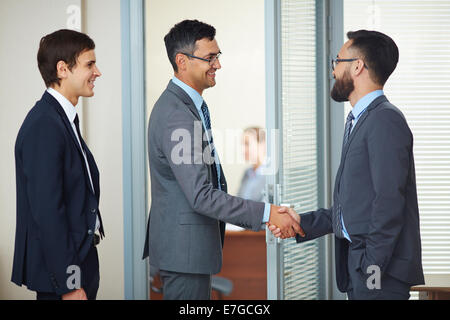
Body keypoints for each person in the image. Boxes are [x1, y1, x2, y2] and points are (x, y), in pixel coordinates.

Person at [142, 19, 304, 300]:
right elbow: (201, 195)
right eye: (210, 57)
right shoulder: (177, 114)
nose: (218, 65)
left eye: (218, 56)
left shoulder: (187, 107)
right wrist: (268, 213)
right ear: (182, 61)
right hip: (184, 256)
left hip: (187, 254)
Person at [269, 30, 424, 300]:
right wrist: (301, 222)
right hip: (360, 266)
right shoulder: (359, 121)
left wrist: (371, 270)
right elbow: (355, 207)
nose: (333, 71)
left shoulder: (384, 120)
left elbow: (389, 203)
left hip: (378, 273)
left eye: (337, 62)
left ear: (357, 66)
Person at [11, 29, 104, 300]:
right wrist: (70, 284)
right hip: (63, 275)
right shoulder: (45, 124)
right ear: (63, 69)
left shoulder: (61, 119)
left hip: (80, 259)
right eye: (89, 64)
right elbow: (48, 213)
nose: (97, 72)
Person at [237, 127, 267, 202]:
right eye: (242, 144)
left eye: (247, 144)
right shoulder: (247, 173)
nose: (243, 149)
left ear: (262, 145)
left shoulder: (271, 176)